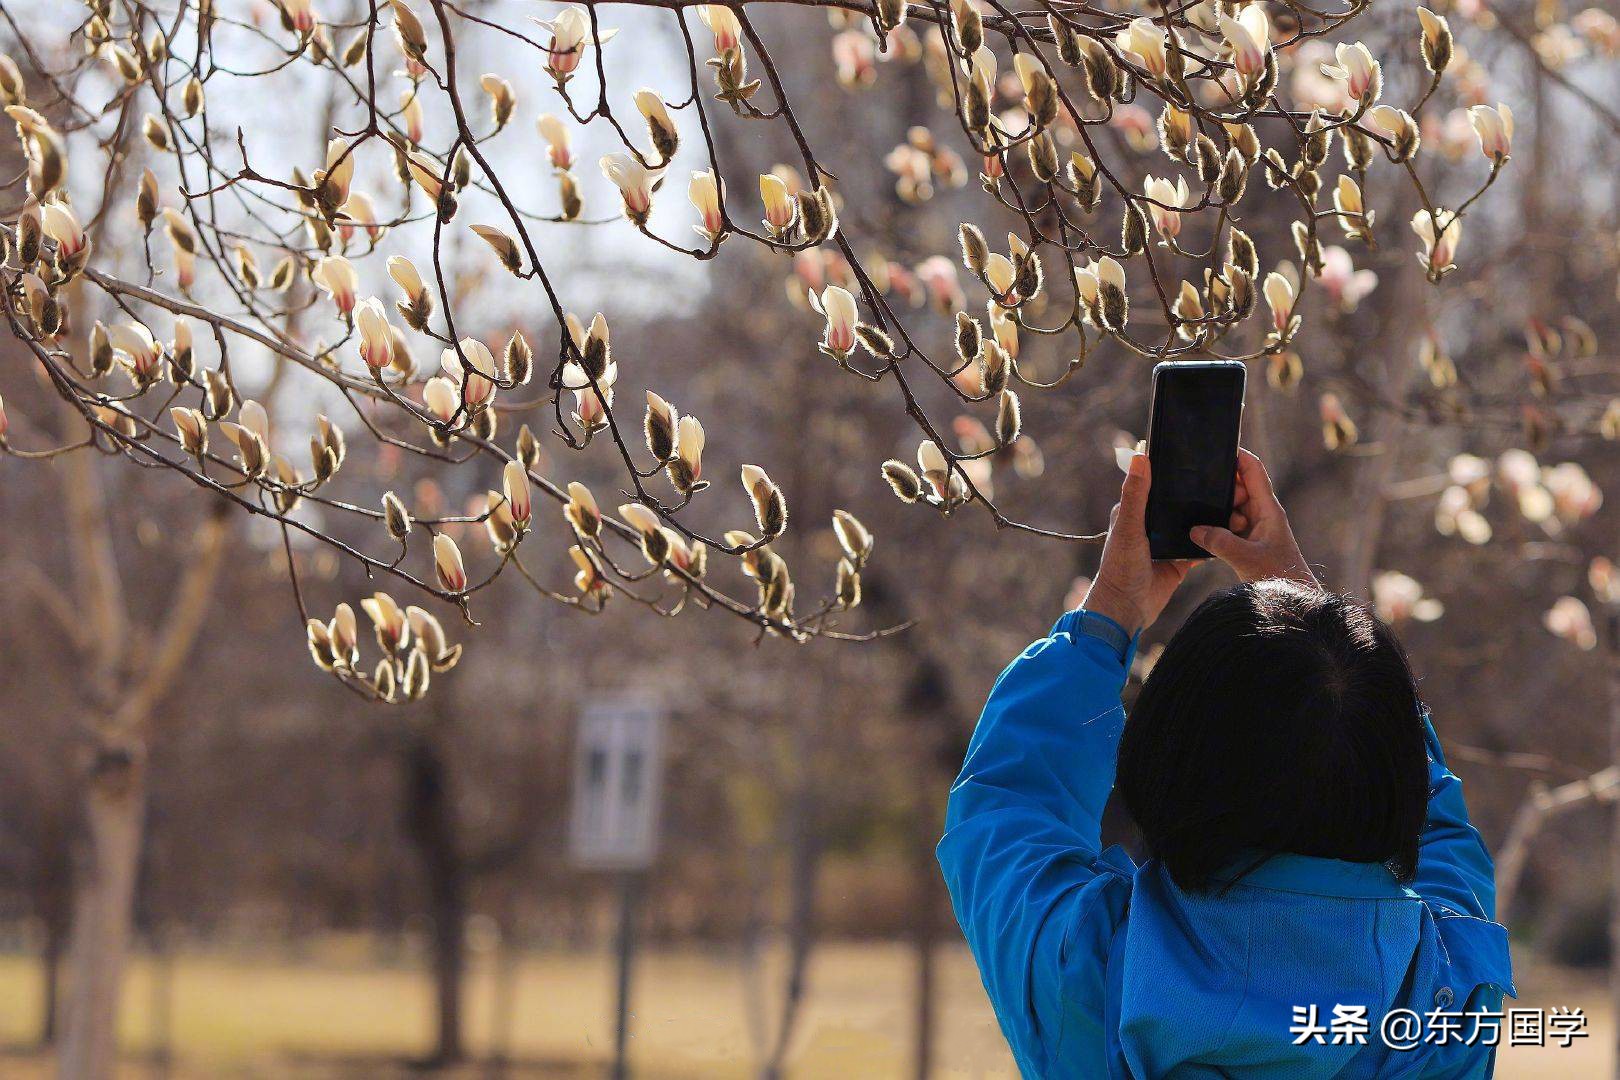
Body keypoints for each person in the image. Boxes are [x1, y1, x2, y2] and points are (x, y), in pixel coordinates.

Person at [938, 449, 1514, 1078]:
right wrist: (1317, 632)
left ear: (1165, 761)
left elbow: (1009, 805)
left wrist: (1109, 615)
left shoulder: (1090, 973)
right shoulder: (1445, 1007)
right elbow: (1435, 823)